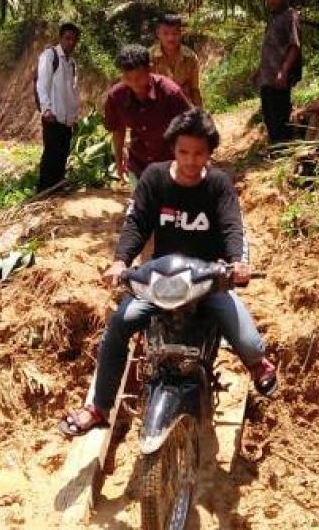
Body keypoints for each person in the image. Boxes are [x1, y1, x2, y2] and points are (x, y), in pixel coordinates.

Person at [58, 109, 278, 436]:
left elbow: (234, 226)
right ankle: (99, 407)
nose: (191, 161)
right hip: (162, 279)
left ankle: (259, 363)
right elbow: (136, 222)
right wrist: (121, 261)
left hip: (207, 280)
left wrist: (237, 262)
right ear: (173, 148)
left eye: (199, 153)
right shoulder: (154, 178)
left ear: (210, 153)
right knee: (119, 324)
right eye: (183, 152)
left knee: (245, 338)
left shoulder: (218, 185)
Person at [103, 44, 191, 182]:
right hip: (139, 164)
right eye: (128, 78)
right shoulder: (116, 97)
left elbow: (191, 126)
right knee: (142, 202)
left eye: (138, 77)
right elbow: (118, 130)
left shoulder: (170, 93)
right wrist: (119, 162)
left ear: (149, 69)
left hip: (171, 163)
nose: (134, 83)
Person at [253, 0, 302, 145]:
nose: (270, 1)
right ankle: (277, 150)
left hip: (279, 78)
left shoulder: (290, 16)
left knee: (280, 117)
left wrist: (284, 71)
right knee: (270, 118)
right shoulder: (275, 17)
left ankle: (284, 150)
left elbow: (294, 47)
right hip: (268, 78)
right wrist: (259, 71)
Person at [35, 23, 81, 193]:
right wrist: (46, 109)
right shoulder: (50, 56)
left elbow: (73, 93)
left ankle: (56, 189)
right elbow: (42, 84)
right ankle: (43, 191)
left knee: (62, 155)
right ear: (61, 38)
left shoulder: (72, 63)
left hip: (66, 120)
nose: (71, 42)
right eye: (67, 38)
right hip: (53, 117)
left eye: (74, 40)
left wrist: (74, 117)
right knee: (51, 156)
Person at [150, 13, 204, 107]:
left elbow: (194, 89)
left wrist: (199, 114)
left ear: (181, 33)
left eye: (175, 33)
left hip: (183, 108)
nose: (170, 38)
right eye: (166, 33)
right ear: (158, 33)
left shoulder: (190, 57)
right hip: (158, 108)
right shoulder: (149, 57)